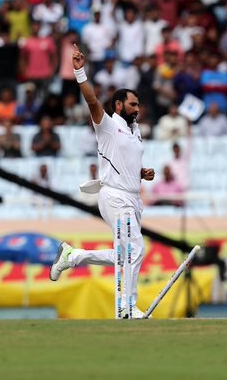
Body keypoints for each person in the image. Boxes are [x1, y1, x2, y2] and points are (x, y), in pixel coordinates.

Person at [49, 44, 155, 319]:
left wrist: (142, 172)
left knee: (126, 253)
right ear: (119, 105)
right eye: (133, 104)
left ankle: (74, 257)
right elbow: (92, 101)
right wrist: (80, 71)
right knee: (134, 249)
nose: (137, 108)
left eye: (138, 104)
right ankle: (126, 308)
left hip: (133, 196)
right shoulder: (107, 124)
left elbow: (126, 158)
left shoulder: (135, 130)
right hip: (115, 195)